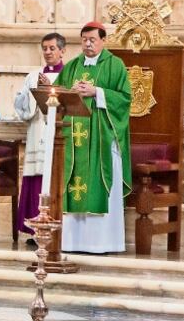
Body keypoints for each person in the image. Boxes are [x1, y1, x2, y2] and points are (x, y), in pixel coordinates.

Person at [53, 22, 132, 254]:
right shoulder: (71, 67)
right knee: (73, 185)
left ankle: (102, 243)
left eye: (92, 40)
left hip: (101, 140)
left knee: (99, 182)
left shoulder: (115, 65)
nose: (87, 44)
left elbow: (125, 100)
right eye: (84, 39)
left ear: (103, 40)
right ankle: (71, 242)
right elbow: (55, 96)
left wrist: (97, 92)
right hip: (73, 142)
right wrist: (69, 92)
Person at [13, 33, 66, 239]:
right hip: (37, 133)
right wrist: (35, 92)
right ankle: (35, 232)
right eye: (45, 48)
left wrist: (51, 91)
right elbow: (21, 105)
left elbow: (71, 103)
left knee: (55, 178)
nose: (48, 52)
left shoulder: (69, 74)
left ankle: (57, 233)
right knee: (37, 180)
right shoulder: (33, 76)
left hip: (58, 136)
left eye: (52, 48)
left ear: (62, 51)